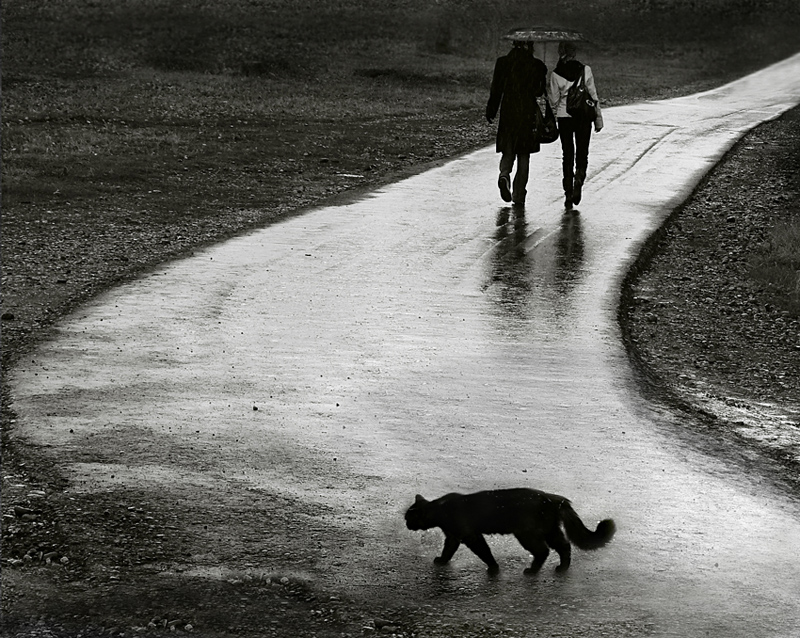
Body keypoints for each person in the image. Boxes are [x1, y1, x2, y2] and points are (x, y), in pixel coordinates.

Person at [486, 40, 548, 208]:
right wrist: (541, 71)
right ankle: (519, 194)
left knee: (508, 148)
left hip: (508, 111)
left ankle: (504, 175)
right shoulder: (536, 65)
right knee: (524, 154)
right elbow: (539, 92)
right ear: (530, 46)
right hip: (527, 113)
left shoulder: (503, 63)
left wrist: (491, 110)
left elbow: (496, 89)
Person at [548, 41, 603, 210]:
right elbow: (593, 96)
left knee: (567, 154)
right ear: (574, 53)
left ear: (560, 53)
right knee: (582, 152)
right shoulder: (585, 70)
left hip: (564, 117)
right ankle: (579, 177)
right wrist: (598, 118)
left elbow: (554, 101)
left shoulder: (556, 74)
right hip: (583, 116)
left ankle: (568, 191)